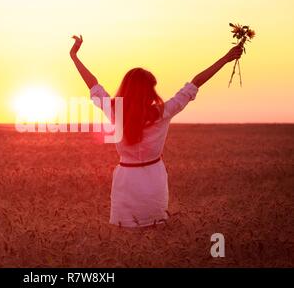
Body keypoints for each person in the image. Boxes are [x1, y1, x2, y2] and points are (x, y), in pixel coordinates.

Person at [70, 35, 243, 228]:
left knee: (125, 240)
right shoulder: (163, 112)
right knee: (155, 234)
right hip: (154, 180)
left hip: (125, 182)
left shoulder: (114, 110)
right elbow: (195, 83)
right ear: (149, 90)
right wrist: (225, 59)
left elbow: (93, 84)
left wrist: (74, 56)